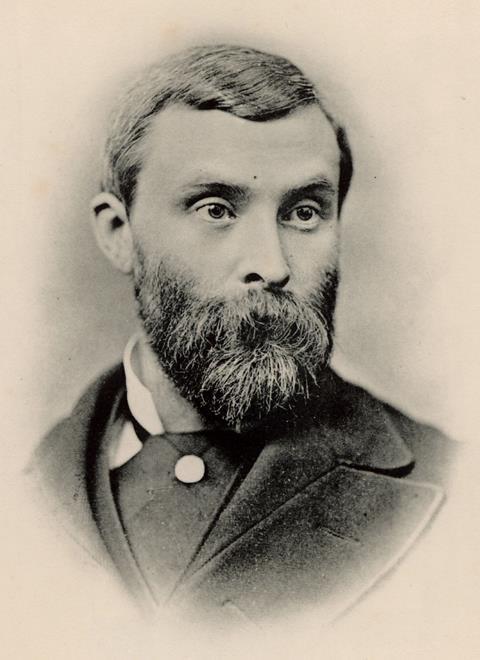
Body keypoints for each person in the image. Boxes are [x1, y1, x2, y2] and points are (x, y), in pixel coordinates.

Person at [27, 44, 455, 627]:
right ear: (118, 233)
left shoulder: (453, 494)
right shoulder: (27, 495)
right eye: (215, 209)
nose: (271, 264)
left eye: (304, 212)